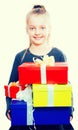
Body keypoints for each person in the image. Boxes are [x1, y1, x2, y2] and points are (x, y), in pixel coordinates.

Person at [5, 5, 74, 130]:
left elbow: (67, 87)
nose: (37, 32)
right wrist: (9, 108)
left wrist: (69, 110)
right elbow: (11, 87)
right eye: (32, 28)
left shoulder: (58, 55)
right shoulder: (20, 57)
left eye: (42, 28)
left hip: (53, 116)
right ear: (27, 29)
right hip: (26, 117)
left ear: (49, 29)